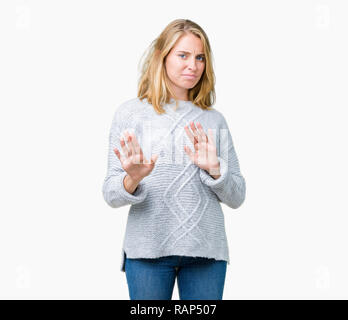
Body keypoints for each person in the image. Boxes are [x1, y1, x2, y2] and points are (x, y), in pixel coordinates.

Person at [102, 19, 246, 300]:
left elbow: (238, 195)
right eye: (183, 55)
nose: (193, 65)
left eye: (200, 57)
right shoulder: (130, 114)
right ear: (162, 56)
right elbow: (110, 193)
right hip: (147, 251)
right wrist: (132, 178)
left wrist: (216, 169)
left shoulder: (214, 119)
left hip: (206, 253)